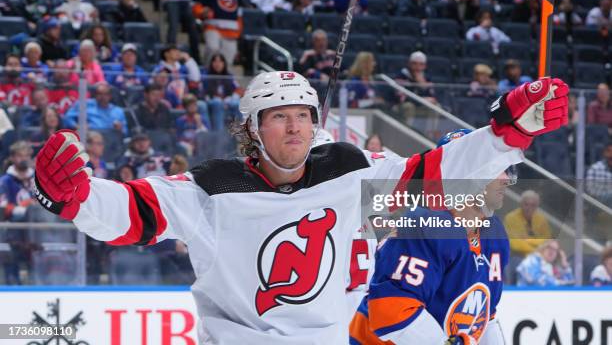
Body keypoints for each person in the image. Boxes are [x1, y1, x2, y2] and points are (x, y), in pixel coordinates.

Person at [32, 72, 569, 343]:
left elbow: (438, 175)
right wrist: (75, 196)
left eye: (302, 115)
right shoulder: (212, 191)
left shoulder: (352, 174)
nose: (293, 127)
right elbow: (133, 211)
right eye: (278, 116)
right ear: (251, 129)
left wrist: (506, 133)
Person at [350, 129, 516, 344]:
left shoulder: (494, 234)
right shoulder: (423, 226)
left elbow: (485, 317)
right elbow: (391, 311)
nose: (504, 178)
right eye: (495, 168)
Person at [194, 0, 242, 65]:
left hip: (231, 28)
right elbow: (196, 5)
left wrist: (239, 28)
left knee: (228, 57)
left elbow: (239, 10)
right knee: (212, 48)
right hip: (212, 25)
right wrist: (201, 12)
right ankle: (207, 73)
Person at [0, 141, 35, 284]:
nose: (24, 159)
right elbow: (2, 206)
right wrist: (23, 206)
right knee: (12, 264)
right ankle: (12, 286)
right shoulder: (5, 181)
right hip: (13, 232)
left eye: (26, 155)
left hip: (34, 233)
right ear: (13, 158)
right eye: (20, 156)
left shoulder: (36, 180)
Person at [63, 82, 128, 135]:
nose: (103, 97)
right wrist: (77, 126)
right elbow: (67, 118)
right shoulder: (84, 104)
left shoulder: (118, 111)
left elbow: (125, 132)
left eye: (106, 94)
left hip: (110, 140)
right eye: (99, 94)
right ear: (95, 95)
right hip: (90, 137)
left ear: (110, 96)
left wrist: (120, 128)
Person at [504, 190, 552, 257]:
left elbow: (546, 241)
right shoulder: (511, 218)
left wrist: (528, 240)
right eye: (526, 204)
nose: (529, 208)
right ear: (520, 204)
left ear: (537, 207)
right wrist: (534, 250)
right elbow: (514, 243)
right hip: (515, 254)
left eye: (533, 205)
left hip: (537, 255)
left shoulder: (542, 220)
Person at [201, 52, 240, 131]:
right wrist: (221, 102)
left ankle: (239, 132)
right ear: (211, 63)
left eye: (220, 61)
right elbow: (204, 93)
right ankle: (219, 133)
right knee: (217, 102)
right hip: (212, 101)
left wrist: (228, 100)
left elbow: (237, 90)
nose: (217, 64)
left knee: (236, 103)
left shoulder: (229, 76)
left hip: (227, 101)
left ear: (224, 63)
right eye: (215, 61)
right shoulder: (206, 76)